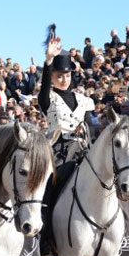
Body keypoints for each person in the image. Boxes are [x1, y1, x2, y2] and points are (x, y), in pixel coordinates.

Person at [39, 35, 95, 164]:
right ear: (52, 77)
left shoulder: (83, 100)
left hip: (81, 149)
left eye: (67, 76)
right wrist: (49, 60)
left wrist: (85, 129)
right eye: (59, 77)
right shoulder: (48, 98)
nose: (64, 80)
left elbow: (91, 126)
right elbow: (45, 85)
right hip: (57, 152)